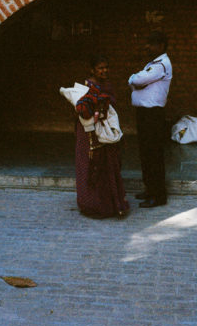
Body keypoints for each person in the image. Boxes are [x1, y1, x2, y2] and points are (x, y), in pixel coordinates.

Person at [73, 55, 130, 219]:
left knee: (108, 165)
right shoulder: (85, 87)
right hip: (89, 132)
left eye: (106, 67)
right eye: (100, 68)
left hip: (105, 130)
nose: (104, 71)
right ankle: (93, 204)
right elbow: (81, 108)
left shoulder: (107, 85)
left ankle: (111, 204)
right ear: (92, 70)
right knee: (92, 165)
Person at [128, 31, 172, 208]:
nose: (147, 47)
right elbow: (138, 81)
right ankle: (149, 189)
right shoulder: (153, 63)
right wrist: (135, 80)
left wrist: (133, 78)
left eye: (151, 44)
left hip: (153, 115)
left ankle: (158, 195)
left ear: (160, 46)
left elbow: (138, 80)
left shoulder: (161, 64)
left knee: (153, 155)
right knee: (146, 154)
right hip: (145, 115)